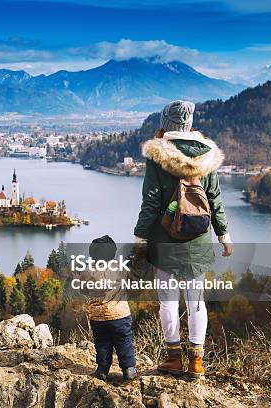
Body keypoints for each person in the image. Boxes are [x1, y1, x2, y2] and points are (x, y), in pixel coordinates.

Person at [133, 100, 234, 379]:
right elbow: (214, 199)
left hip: (164, 243)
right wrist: (224, 234)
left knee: (167, 302)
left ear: (165, 123)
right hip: (198, 242)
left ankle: (174, 358)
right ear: (189, 124)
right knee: (196, 301)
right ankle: (197, 363)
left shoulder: (157, 156)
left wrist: (140, 237)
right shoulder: (207, 156)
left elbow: (151, 203)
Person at [86, 235, 137, 381]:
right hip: (120, 316)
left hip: (97, 317)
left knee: (102, 345)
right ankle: (129, 370)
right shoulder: (120, 269)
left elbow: (82, 288)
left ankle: (102, 370)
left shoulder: (88, 272)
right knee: (124, 342)